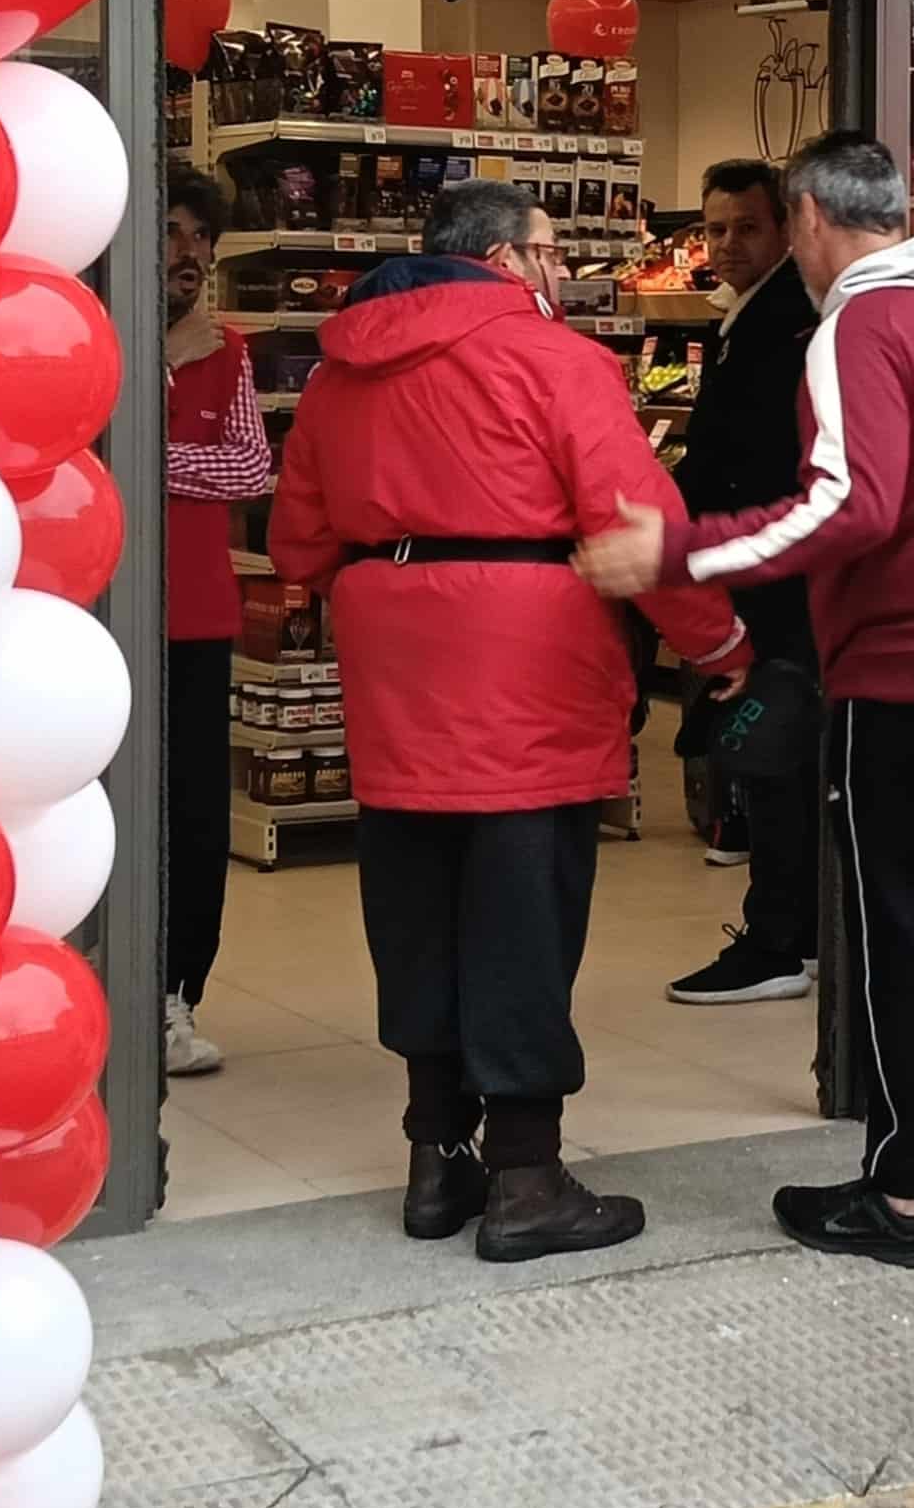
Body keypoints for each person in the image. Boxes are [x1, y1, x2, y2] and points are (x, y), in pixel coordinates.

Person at [269, 180, 749, 1262]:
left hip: (395, 657)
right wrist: (716, 643)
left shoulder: (344, 368)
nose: (562, 273)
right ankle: (527, 1176)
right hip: (527, 656)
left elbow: (299, 530)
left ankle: (436, 1160)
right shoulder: (554, 360)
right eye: (551, 251)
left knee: (414, 906)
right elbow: (636, 519)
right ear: (504, 260)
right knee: (523, 913)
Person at [576, 132, 914, 1268]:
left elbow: (851, 505)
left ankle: (901, 1190)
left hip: (894, 668)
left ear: (812, 219)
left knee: (891, 929)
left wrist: (679, 552)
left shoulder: (858, 327)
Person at [663, 159, 823, 1004]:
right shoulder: (751, 316)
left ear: (789, 229)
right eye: (715, 228)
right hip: (767, 561)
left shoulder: (787, 323)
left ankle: (779, 939)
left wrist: (672, 528)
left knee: (777, 757)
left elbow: (749, 462)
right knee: (784, 760)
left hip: (776, 572)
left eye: (746, 227)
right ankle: (801, 931)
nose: (727, 244)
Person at [160, 170, 270, 1080]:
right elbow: (83, 444)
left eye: (202, 238)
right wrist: (159, 365)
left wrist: (150, 456)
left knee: (195, 818)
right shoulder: (90, 339)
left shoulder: (229, 350)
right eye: (171, 231)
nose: (189, 253)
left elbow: (246, 473)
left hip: (196, 617)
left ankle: (175, 998)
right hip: (90, 617)